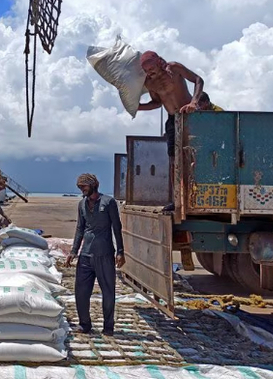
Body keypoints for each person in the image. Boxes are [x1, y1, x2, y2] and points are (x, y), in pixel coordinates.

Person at [137, 51, 205, 211]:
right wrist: (138, 107)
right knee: (174, 161)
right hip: (172, 119)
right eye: (146, 71)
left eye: (151, 69)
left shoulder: (174, 68)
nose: (150, 73)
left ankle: (200, 195)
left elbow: (198, 80)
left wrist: (194, 102)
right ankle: (177, 200)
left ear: (159, 62)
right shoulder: (150, 83)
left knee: (196, 156)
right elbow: (156, 103)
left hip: (190, 116)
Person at [64, 173, 125, 336]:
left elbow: (117, 227)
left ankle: (108, 327)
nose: (81, 190)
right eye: (79, 187)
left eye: (83, 186)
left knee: (108, 292)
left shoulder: (109, 202)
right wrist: (73, 251)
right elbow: (79, 229)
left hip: (104, 254)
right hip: (86, 255)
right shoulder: (81, 204)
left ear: (93, 185)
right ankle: (85, 324)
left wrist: (120, 251)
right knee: (81, 292)